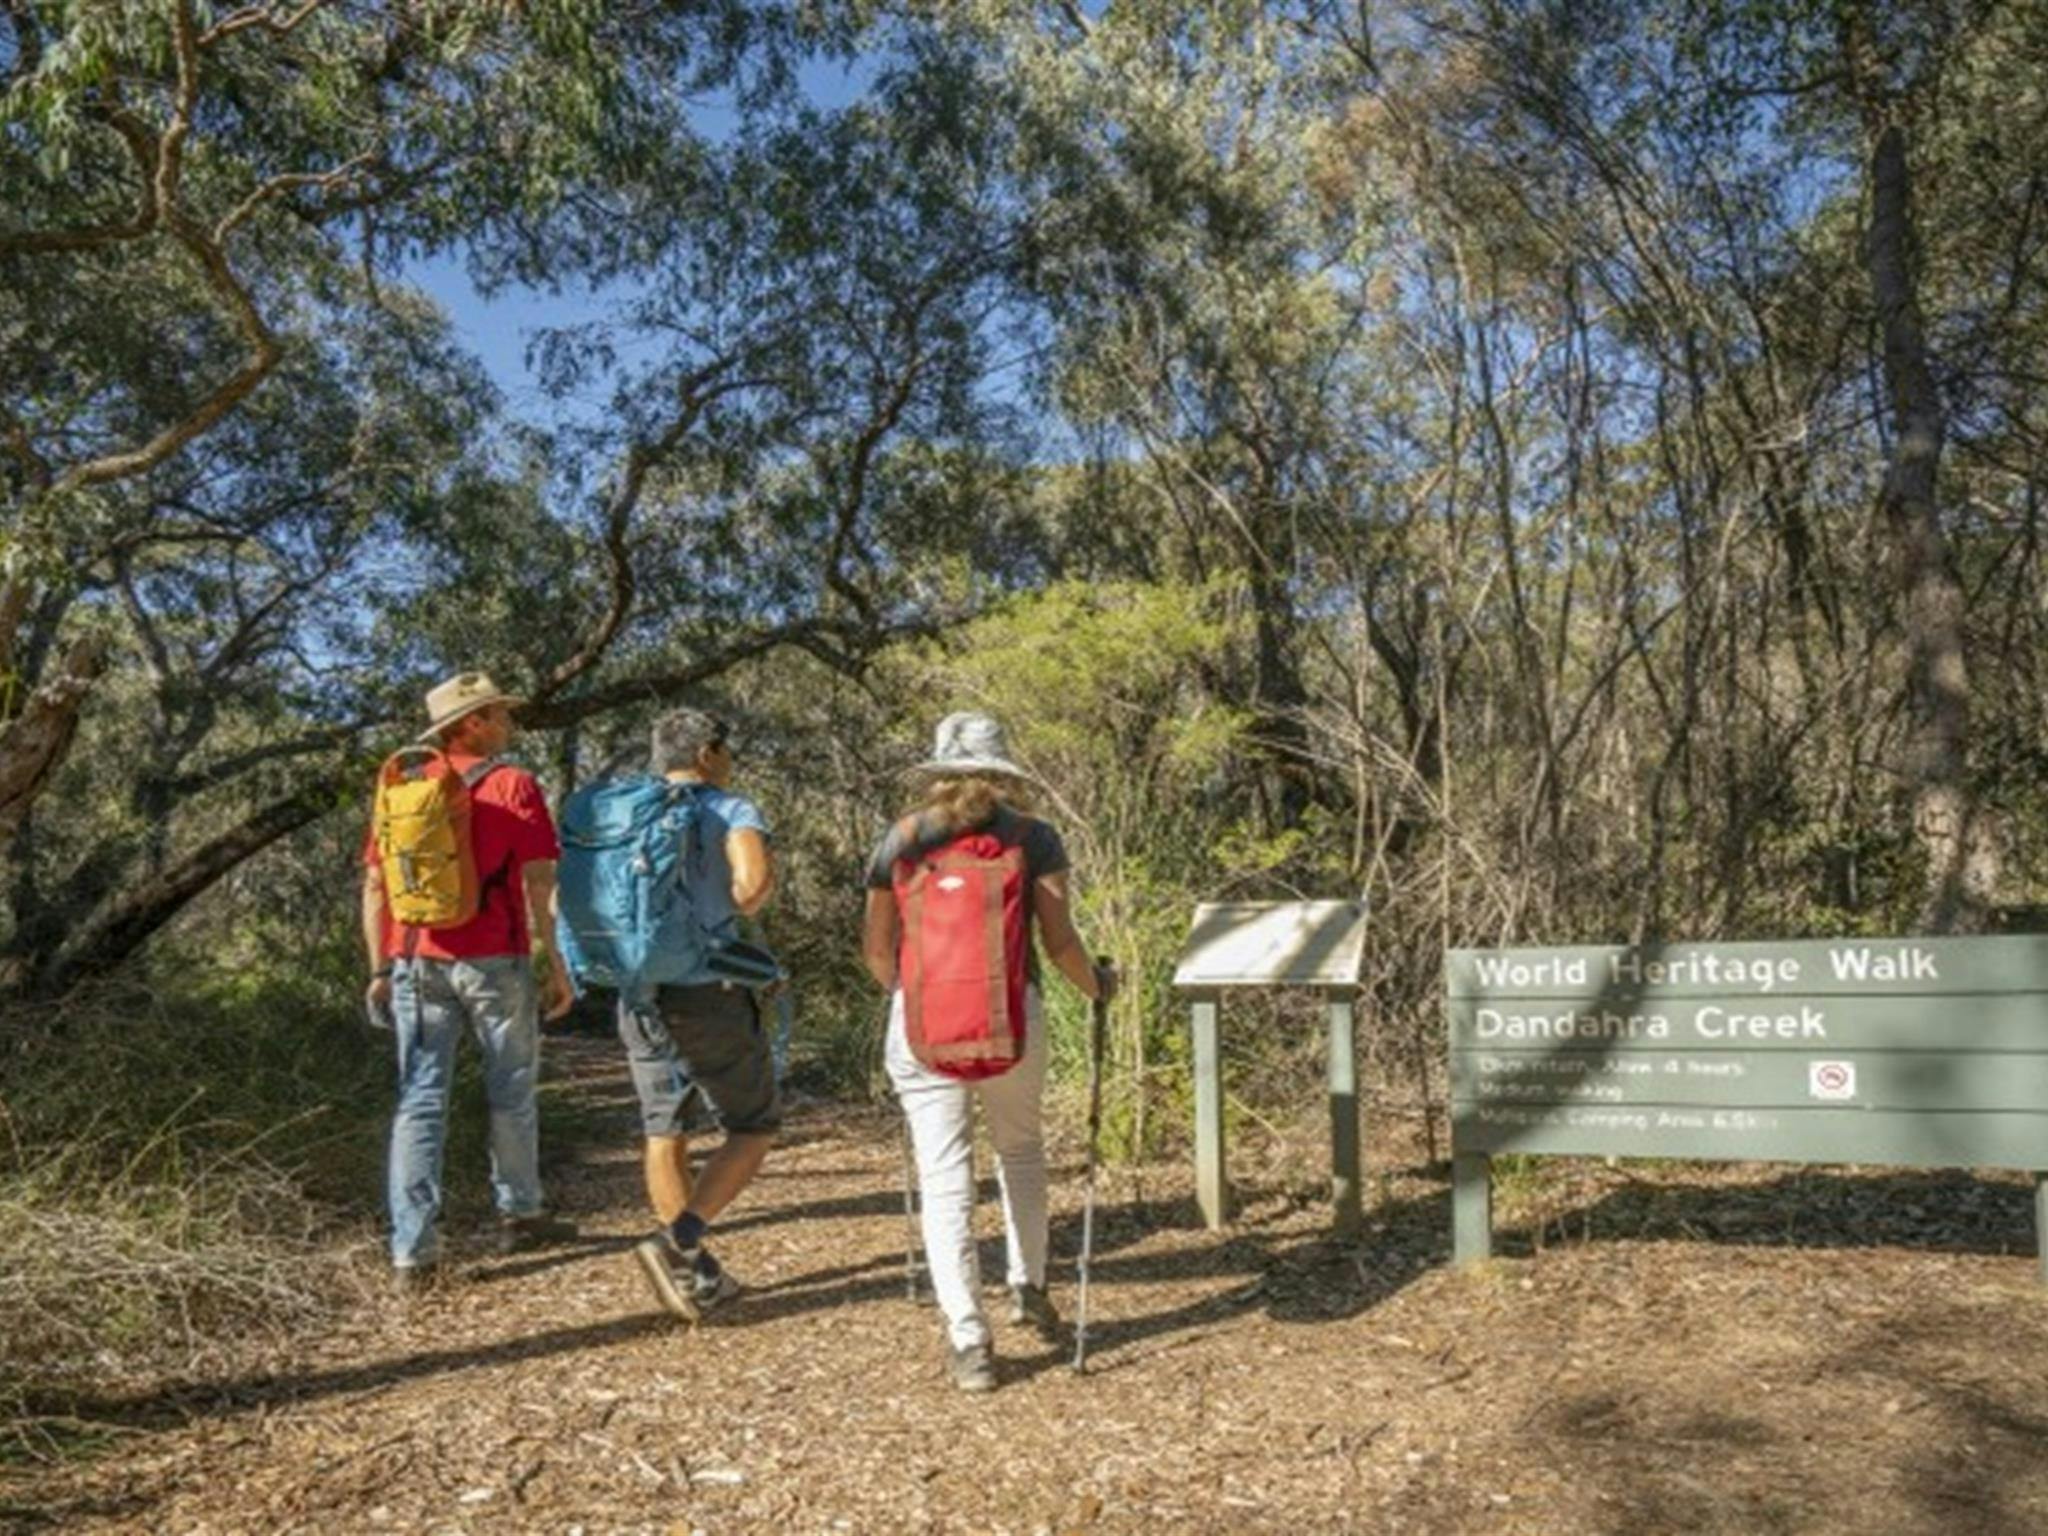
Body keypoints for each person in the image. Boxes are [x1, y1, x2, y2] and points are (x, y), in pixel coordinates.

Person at [860, 711, 1113, 1393]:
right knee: (1021, 1150)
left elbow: (878, 951)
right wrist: (1099, 988)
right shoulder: (1035, 838)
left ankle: (970, 1340)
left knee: (945, 1176)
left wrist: (913, 998)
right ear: (1005, 772)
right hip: (1013, 1021)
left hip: (919, 1025)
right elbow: (1060, 944)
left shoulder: (903, 838)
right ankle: (1029, 1287)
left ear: (939, 769)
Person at [362, 671, 576, 1289]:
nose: (508, 721)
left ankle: (413, 1251)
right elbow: (540, 885)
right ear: (473, 723)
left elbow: (376, 885)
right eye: (498, 713)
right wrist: (555, 966)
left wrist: (381, 967)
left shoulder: (402, 784)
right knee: (510, 1089)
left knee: (420, 1100)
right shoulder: (514, 785)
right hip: (493, 959)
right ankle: (520, 1213)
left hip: (413, 962)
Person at [628, 708, 781, 1321]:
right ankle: (679, 1240)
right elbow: (751, 887)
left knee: (666, 1130)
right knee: (753, 1124)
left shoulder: (627, 811)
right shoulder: (729, 808)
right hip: (707, 991)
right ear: (709, 753)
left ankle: (694, 1278)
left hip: (637, 992)